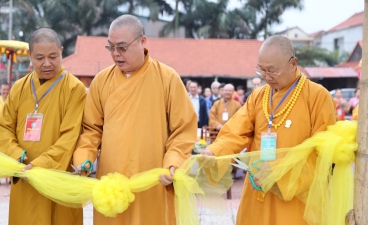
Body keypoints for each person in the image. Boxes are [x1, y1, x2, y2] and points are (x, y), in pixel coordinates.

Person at [73, 14, 197, 224]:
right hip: (112, 183)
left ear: (142, 41)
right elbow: (91, 129)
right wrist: (84, 157)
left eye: (122, 47)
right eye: (110, 47)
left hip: (154, 178)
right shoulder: (101, 81)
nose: (115, 54)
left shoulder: (167, 78)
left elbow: (183, 130)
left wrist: (174, 162)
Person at [202, 35, 336, 225]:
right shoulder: (258, 96)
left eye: (272, 71)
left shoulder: (317, 96)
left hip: (294, 195)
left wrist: (279, 173)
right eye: (261, 70)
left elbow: (323, 152)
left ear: (293, 63)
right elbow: (236, 131)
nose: (266, 77)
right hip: (258, 187)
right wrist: (215, 151)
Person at [0, 27, 85, 225]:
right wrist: (17, 156)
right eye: (40, 57)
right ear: (30, 56)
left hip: (57, 178)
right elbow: (2, 126)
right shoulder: (19, 87)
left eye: (53, 56)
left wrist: (38, 166)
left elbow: (70, 137)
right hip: (23, 175)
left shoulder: (74, 89)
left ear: (62, 51)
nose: (47, 63)